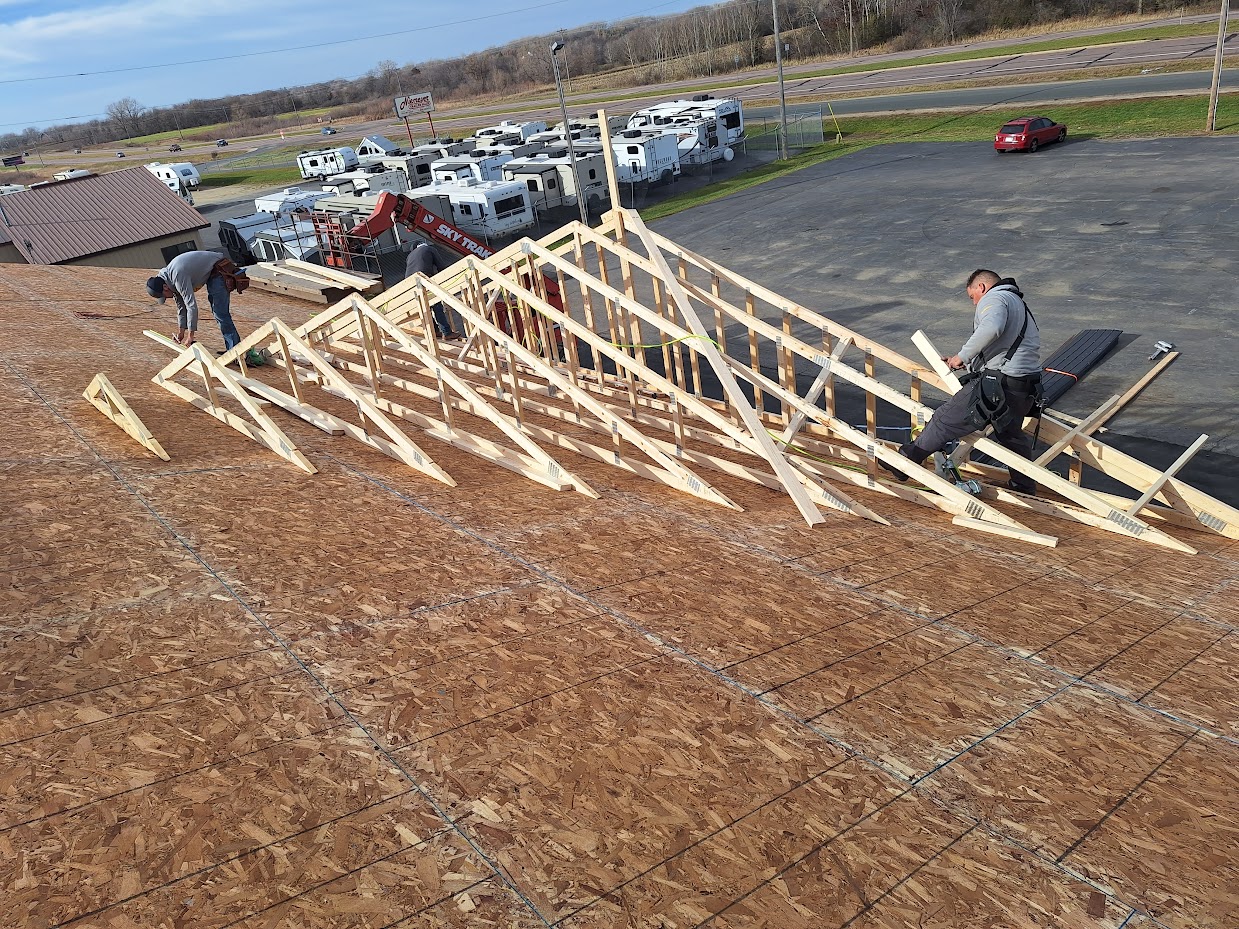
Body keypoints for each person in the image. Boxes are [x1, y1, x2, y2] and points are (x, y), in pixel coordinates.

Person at [884, 269, 1042, 494]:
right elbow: (1003, 345)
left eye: (972, 297)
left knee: (944, 419)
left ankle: (906, 462)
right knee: (1012, 436)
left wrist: (962, 355)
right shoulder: (1016, 302)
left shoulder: (995, 298)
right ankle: (1024, 486)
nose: (974, 303)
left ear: (982, 287)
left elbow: (992, 328)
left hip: (1000, 385)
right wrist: (966, 364)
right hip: (1024, 386)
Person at [146, 251, 249, 353]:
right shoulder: (166, 280)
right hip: (212, 272)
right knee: (218, 312)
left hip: (218, 270)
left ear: (165, 287)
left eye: (164, 296)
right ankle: (232, 348)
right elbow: (181, 308)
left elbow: (191, 306)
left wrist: (190, 336)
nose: (167, 298)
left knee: (220, 312)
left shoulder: (177, 276)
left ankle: (235, 351)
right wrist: (181, 332)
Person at [403, 242, 459, 339]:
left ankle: (435, 331)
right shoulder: (429, 249)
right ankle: (447, 333)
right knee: (436, 306)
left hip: (409, 284)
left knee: (425, 307)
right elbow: (441, 266)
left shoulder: (410, 255)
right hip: (423, 280)